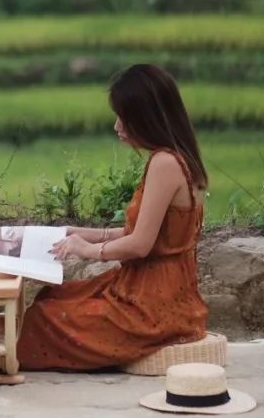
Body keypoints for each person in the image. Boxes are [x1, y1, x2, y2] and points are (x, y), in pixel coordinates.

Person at [17, 64, 208, 371]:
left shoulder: (165, 163)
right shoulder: (176, 159)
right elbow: (141, 232)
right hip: (152, 290)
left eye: (125, 117)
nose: (117, 126)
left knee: (42, 318)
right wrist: (75, 231)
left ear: (147, 118)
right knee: (54, 294)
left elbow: (139, 245)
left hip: (153, 304)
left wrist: (87, 250)